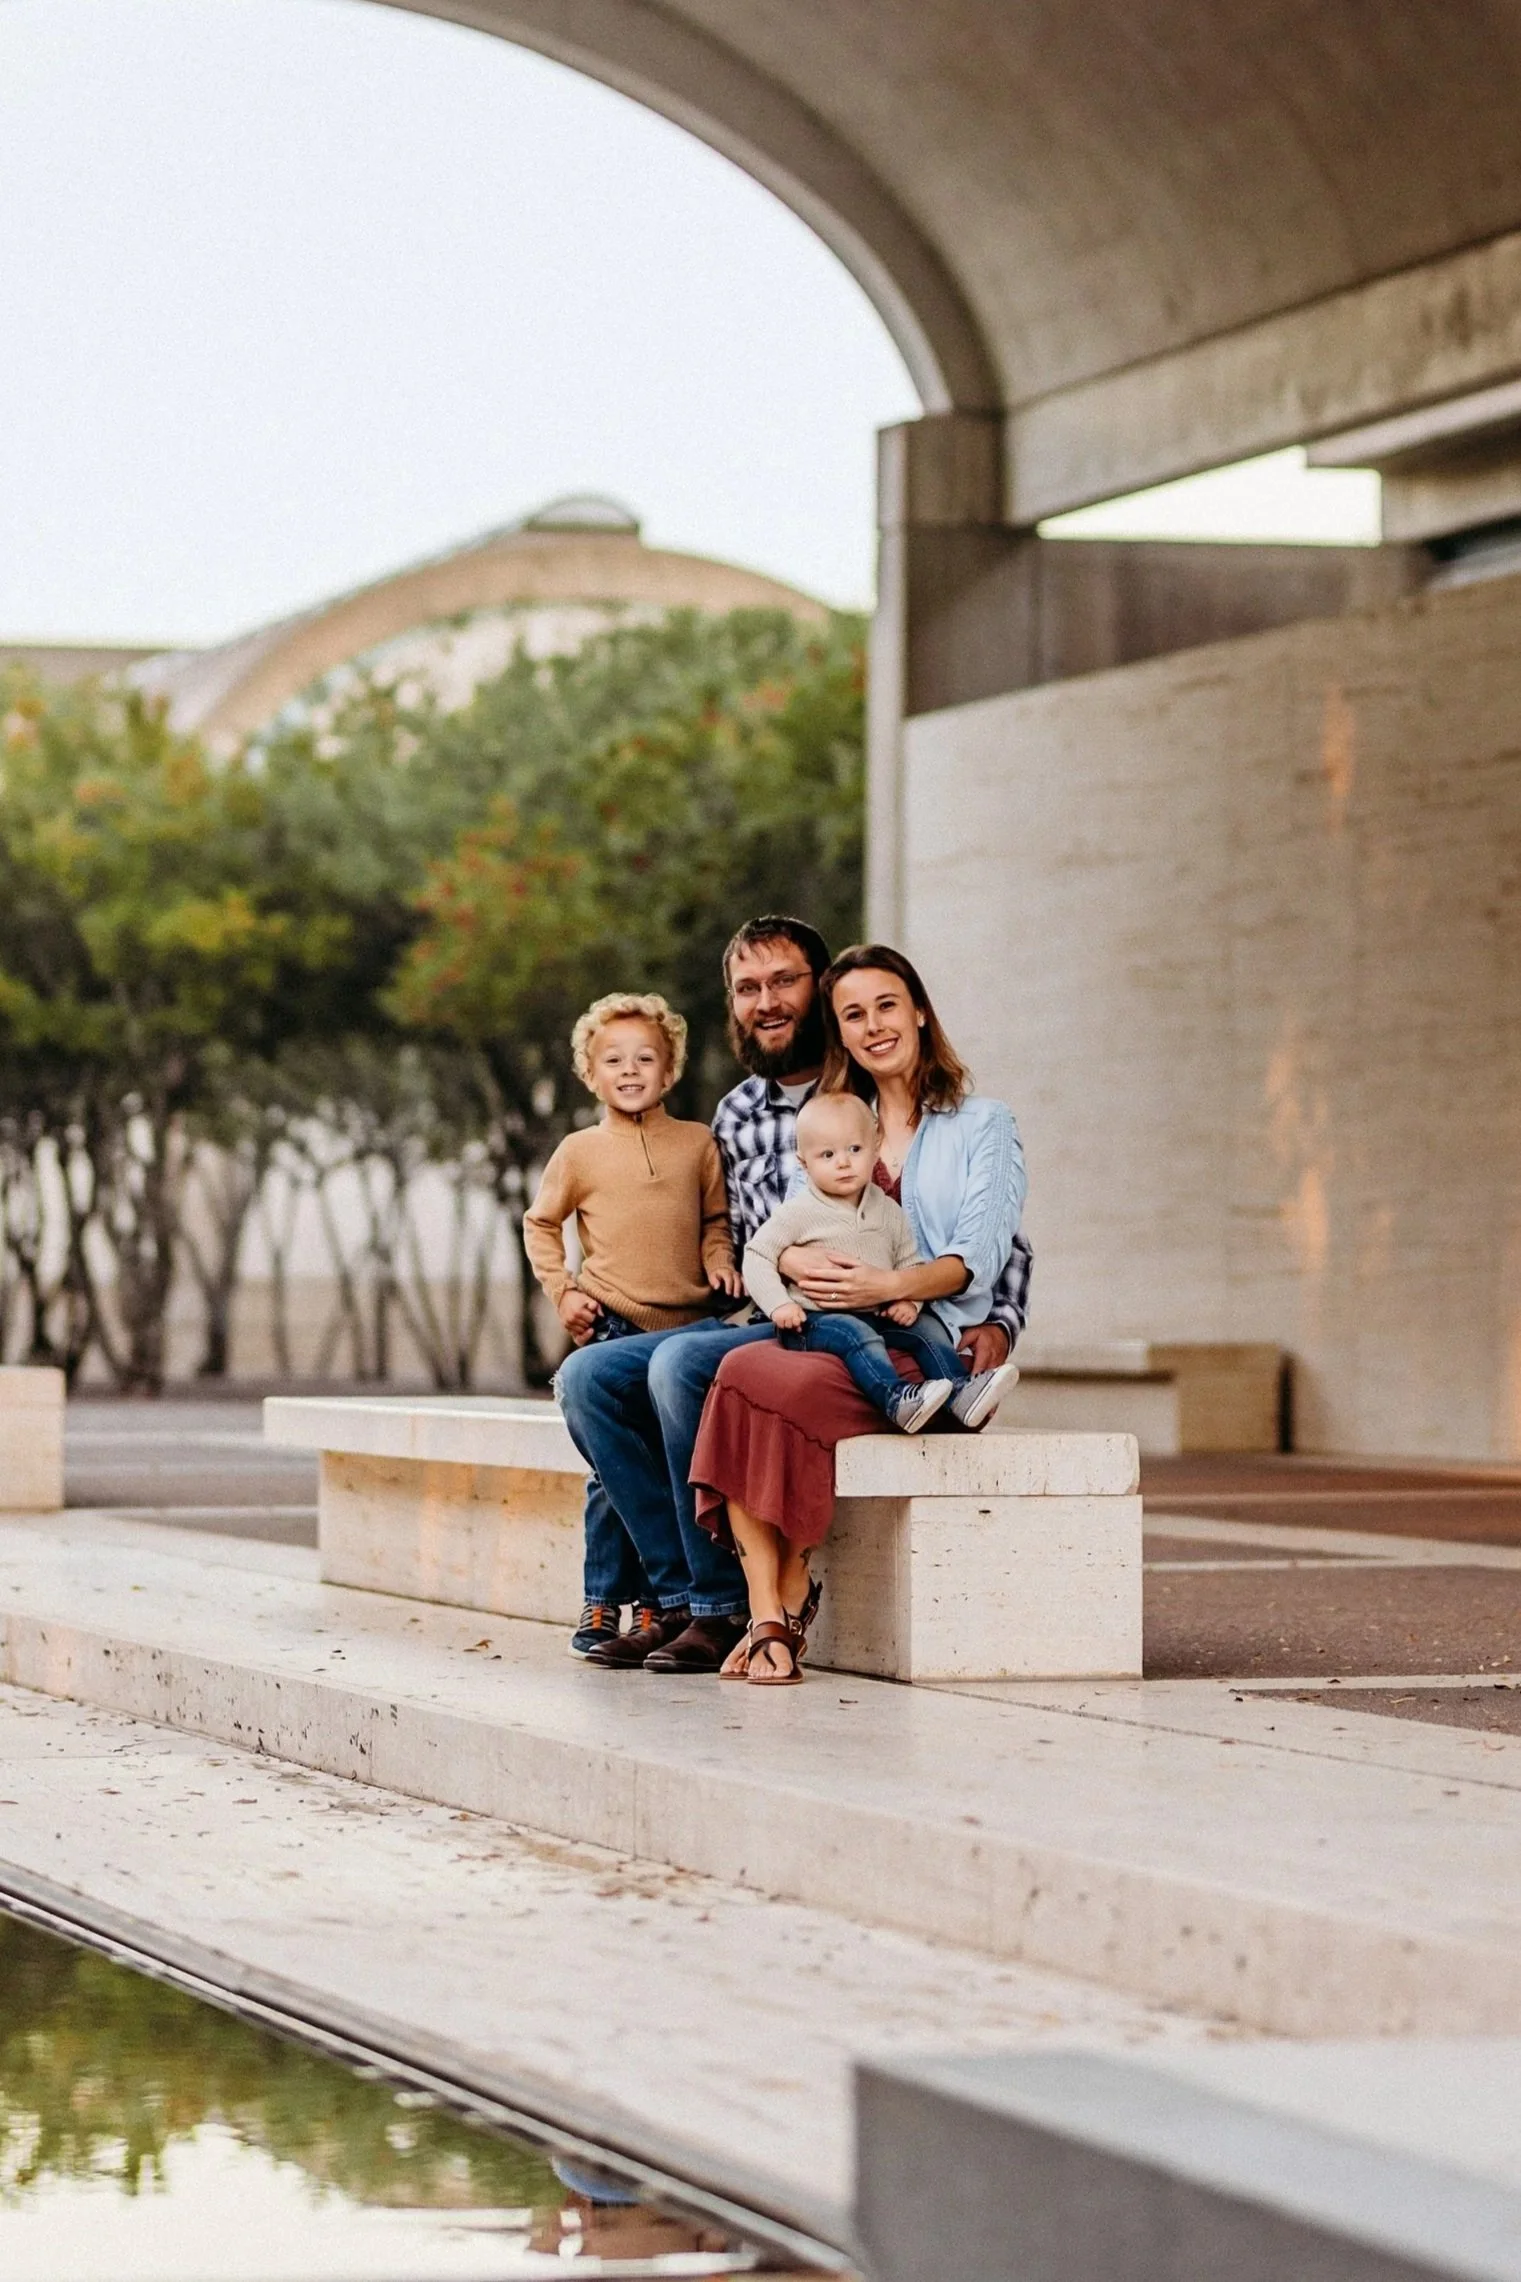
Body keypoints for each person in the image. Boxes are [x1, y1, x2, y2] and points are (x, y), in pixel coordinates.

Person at [553, 917, 1032, 1674]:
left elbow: (989, 1245)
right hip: (783, 1319)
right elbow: (732, 1241)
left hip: (895, 1329)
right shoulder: (778, 1118)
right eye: (748, 989)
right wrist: (583, 1284)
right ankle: (681, 1598)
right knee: (589, 1377)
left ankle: (719, 1609)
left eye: (786, 984)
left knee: (680, 1366)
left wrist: (987, 1316)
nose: (767, 1002)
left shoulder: (938, 1121)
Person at [691, 943, 1028, 1685]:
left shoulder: (982, 1125)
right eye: (852, 1014)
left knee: (759, 1379)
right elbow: (782, 1230)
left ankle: (788, 1591)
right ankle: (767, 1613)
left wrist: (886, 1287)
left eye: (884, 1005)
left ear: (917, 1010)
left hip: (923, 1342)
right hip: (830, 1329)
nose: (872, 1025)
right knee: (739, 1368)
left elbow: (982, 1254)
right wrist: (785, 1267)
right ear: (838, 1032)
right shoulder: (836, 1123)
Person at [523, 992, 742, 1656]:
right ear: (590, 1075)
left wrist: (718, 1258)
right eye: (611, 1060)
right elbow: (539, 1224)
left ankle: (655, 1607)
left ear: (669, 1070)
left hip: (686, 1332)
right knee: (611, 1473)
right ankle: (603, 1602)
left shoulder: (698, 1144)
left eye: (644, 1057)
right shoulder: (580, 1151)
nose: (628, 1069)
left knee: (660, 1463)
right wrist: (563, 1293)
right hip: (615, 1328)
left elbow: (713, 1221)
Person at [744, 1090, 1014, 1433]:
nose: (843, 1162)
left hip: (875, 1312)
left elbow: (910, 1262)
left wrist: (911, 1300)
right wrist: (778, 1305)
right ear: (804, 1163)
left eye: (854, 1150)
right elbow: (756, 1254)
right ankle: (896, 1398)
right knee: (853, 1332)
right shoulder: (799, 1211)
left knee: (928, 1328)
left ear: (874, 1148)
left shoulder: (887, 1211)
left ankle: (960, 1391)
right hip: (813, 1321)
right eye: (827, 1155)